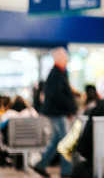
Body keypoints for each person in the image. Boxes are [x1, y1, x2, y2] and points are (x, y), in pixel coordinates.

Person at [33, 47, 77, 178]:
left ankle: (41, 165)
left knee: (58, 139)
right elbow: (56, 95)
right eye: (65, 56)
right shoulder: (56, 73)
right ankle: (66, 171)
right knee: (65, 141)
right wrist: (69, 107)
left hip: (56, 111)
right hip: (57, 112)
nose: (67, 59)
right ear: (59, 58)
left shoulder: (58, 73)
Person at [0, 96, 39, 169]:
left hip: (13, 141)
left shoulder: (9, 114)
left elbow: (1, 128)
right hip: (31, 140)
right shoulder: (32, 112)